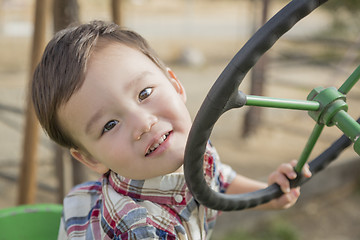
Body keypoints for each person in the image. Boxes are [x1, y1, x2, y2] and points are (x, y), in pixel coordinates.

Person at [32, 20, 311, 239]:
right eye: (110, 125)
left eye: (145, 93)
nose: (143, 123)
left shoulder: (194, 147)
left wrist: (267, 194)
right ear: (92, 159)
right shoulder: (137, 230)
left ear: (176, 86)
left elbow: (218, 181)